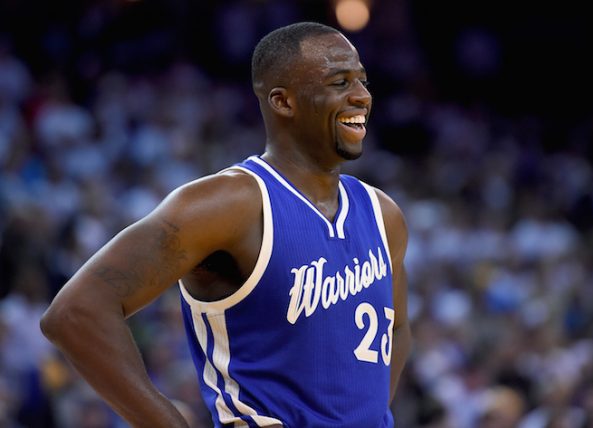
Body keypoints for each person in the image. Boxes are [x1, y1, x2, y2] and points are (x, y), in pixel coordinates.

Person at [40, 21, 411, 427]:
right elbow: (76, 312)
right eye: (340, 83)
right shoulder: (227, 205)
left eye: (362, 80)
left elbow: (396, 337)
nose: (362, 96)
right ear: (283, 102)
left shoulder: (383, 214)